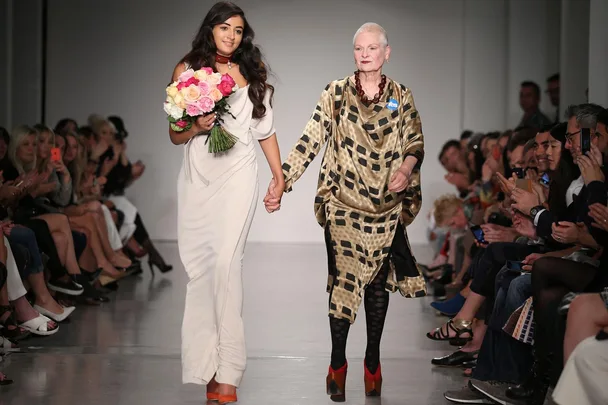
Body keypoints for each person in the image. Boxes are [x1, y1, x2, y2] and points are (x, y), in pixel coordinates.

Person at [265, 22, 426, 401]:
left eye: (373, 48)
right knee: (344, 282)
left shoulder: (401, 96)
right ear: (353, 53)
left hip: (385, 207)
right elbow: (311, 138)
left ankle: (372, 360)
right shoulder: (336, 93)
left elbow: (415, 139)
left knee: (376, 285)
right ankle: (338, 361)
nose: (365, 53)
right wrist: (282, 181)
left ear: (387, 53)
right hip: (343, 205)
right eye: (359, 48)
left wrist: (404, 169)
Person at [169, 2, 283, 404]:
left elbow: (264, 129)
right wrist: (196, 126)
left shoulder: (252, 71)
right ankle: (208, 372)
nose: (231, 35)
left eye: (238, 30)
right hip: (199, 175)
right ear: (211, 29)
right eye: (224, 28)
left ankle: (229, 374)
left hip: (238, 172)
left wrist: (279, 175)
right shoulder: (187, 71)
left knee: (226, 264)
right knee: (201, 272)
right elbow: (175, 134)